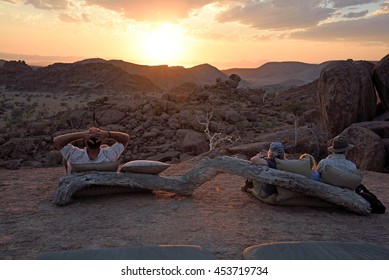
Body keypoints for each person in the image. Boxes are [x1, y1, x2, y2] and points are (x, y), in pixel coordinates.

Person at [317, 136, 385, 213]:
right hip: (346, 194)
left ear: (333, 150)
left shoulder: (324, 163)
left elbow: (317, 175)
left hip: (327, 190)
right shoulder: (351, 165)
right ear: (346, 151)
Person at [53, 127, 130, 174]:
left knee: (65, 157)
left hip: (79, 181)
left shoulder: (75, 155)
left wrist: (82, 135)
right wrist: (107, 134)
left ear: (86, 141)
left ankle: (68, 174)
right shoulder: (109, 155)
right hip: (102, 183)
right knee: (105, 147)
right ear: (101, 140)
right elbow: (126, 138)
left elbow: (57, 141)